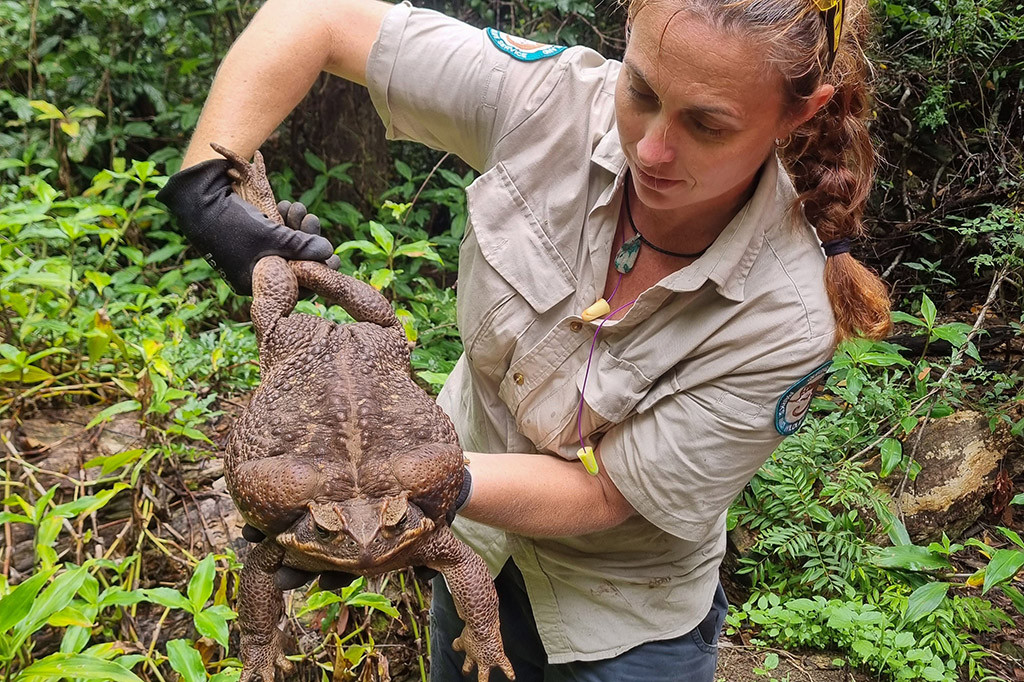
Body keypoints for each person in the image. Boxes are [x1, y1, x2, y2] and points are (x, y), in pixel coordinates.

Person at [157, 0, 892, 679]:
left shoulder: (788, 315)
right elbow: (316, 15)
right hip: (471, 553)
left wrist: (405, 487)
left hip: (622, 620)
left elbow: (608, 494)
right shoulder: (551, 102)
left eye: (708, 124)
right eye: (639, 91)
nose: (654, 148)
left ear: (798, 116)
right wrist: (207, 191)